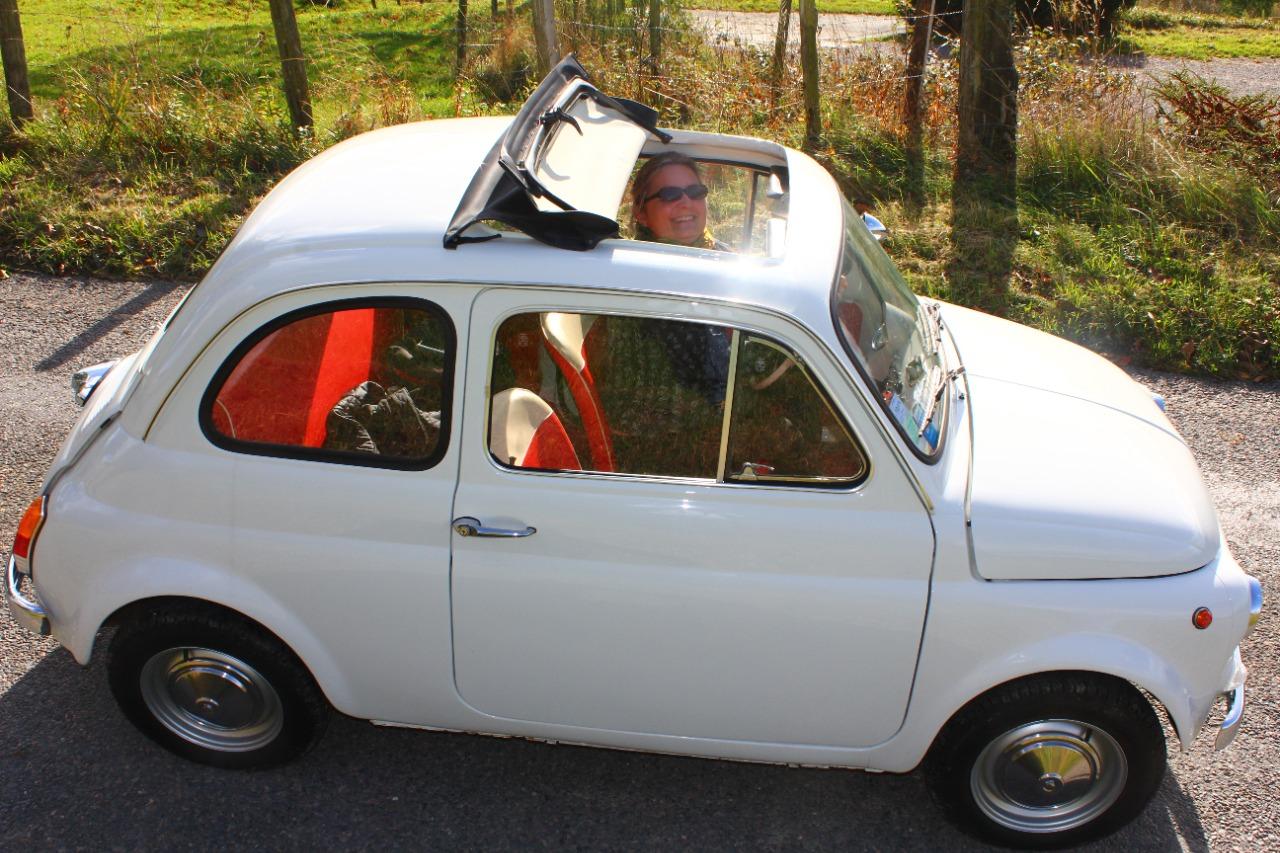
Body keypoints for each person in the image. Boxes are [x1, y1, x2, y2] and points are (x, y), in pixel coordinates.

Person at [629, 152, 725, 250]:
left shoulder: (727, 256)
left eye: (696, 191)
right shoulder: (626, 258)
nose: (687, 203)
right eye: (670, 194)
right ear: (641, 214)